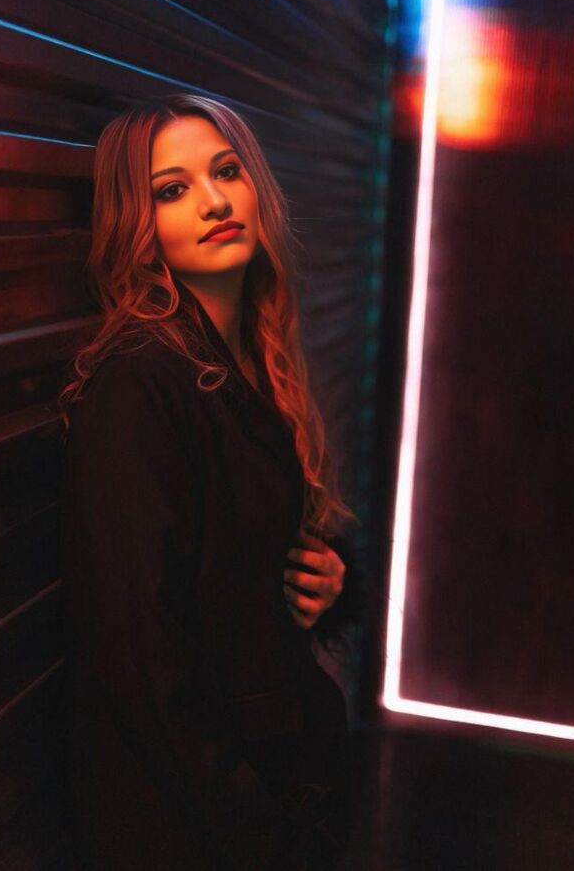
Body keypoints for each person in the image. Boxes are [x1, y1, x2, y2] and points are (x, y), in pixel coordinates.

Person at [58, 93, 363, 871]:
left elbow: (248, 560)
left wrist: (332, 580)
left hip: (273, 787)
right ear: (137, 222)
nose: (215, 202)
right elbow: (142, 660)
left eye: (227, 172)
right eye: (173, 189)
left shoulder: (251, 356)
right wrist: (263, 841)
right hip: (199, 827)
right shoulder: (139, 381)